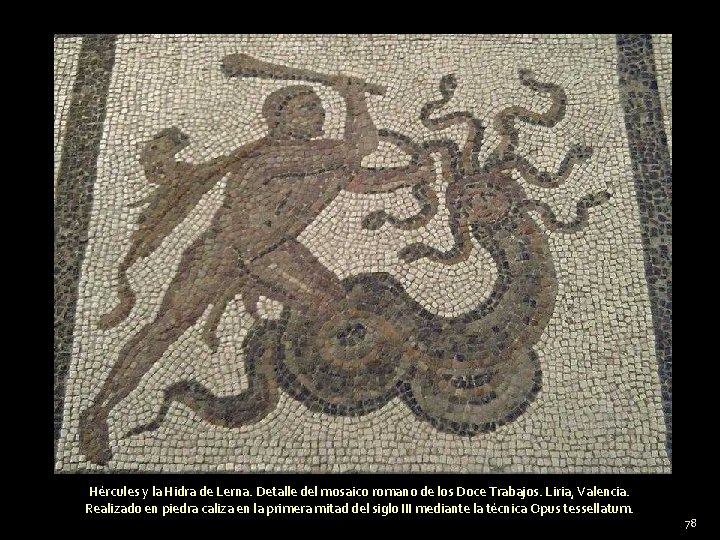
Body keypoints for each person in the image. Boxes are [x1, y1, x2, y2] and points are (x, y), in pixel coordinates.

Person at [79, 77, 437, 465]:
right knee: (167, 326)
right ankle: (98, 410)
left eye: (319, 107)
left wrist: (410, 175)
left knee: (333, 303)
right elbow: (359, 148)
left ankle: (284, 371)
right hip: (223, 252)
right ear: (279, 119)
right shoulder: (269, 158)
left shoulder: (320, 158)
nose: (318, 114)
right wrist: (354, 97)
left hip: (273, 251)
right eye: (307, 107)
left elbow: (360, 178)